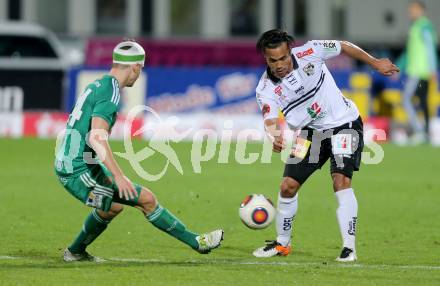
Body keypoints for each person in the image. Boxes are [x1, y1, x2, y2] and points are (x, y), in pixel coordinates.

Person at [55, 40, 223, 262]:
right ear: (134, 67)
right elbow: (97, 137)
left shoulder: (100, 85)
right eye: (140, 68)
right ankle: (197, 242)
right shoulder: (111, 93)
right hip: (76, 168)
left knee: (125, 204)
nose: (139, 73)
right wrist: (118, 176)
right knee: (134, 201)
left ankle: (75, 252)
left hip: (83, 162)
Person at [253, 29, 399, 261]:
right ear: (265, 58)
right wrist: (274, 135)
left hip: (345, 124)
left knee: (340, 180)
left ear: (290, 51)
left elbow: (343, 45)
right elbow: (269, 118)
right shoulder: (265, 88)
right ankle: (282, 244)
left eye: (283, 58)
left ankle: (349, 248)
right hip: (311, 135)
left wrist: (374, 62)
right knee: (287, 186)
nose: (279, 64)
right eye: (273, 60)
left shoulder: (311, 51)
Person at [398, 0, 438, 143]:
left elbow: (430, 48)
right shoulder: (415, 26)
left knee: (407, 99)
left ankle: (420, 131)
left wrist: (433, 69)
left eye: (413, 10)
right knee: (422, 101)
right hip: (415, 69)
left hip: (421, 70)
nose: (411, 13)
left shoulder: (424, 26)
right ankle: (424, 132)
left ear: (421, 10)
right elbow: (410, 52)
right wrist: (399, 66)